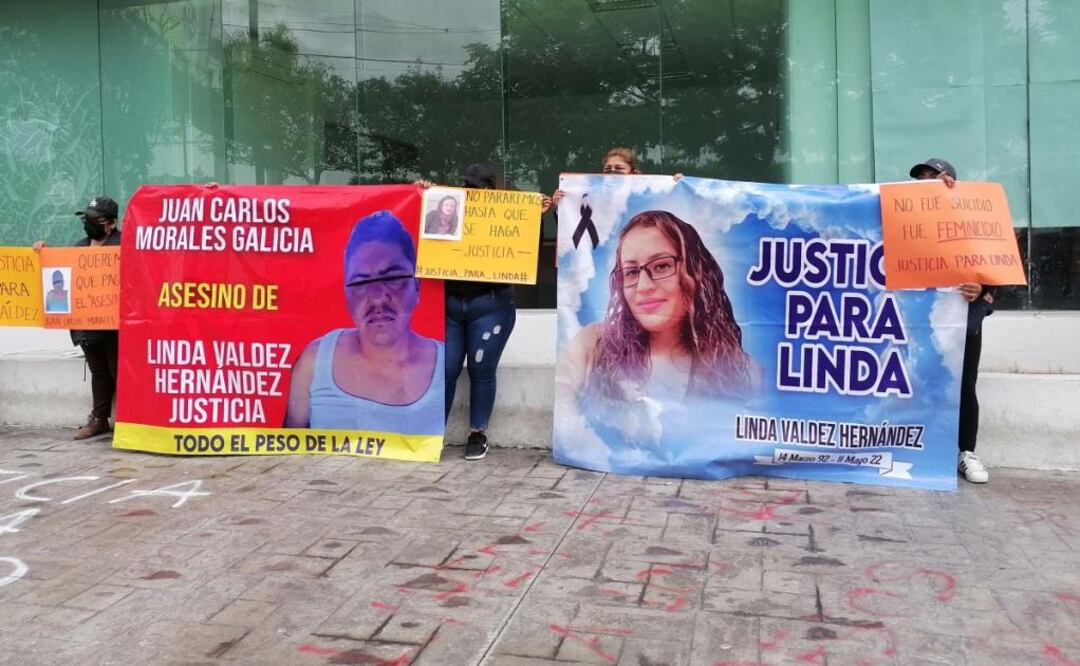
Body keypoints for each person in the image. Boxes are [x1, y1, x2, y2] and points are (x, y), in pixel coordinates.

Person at [417, 163, 552, 460]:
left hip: (490, 305)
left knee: (481, 369)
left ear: (492, 190)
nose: (471, 191)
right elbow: (423, 235)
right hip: (451, 305)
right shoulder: (446, 211)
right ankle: (432, 433)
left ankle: (478, 433)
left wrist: (534, 217)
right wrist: (424, 196)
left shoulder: (504, 213)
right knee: (447, 368)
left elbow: (527, 252)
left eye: (477, 187)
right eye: (466, 186)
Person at [284, 210, 444, 434]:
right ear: (345, 294)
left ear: (417, 285)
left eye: (392, 278)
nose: (378, 296)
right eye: (361, 283)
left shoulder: (445, 364)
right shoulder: (316, 360)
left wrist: (429, 197)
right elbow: (289, 446)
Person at [910, 158, 993, 484]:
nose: (927, 183)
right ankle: (919, 447)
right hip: (919, 316)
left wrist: (983, 287)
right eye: (921, 179)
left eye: (934, 177)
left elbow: (993, 258)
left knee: (964, 383)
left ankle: (965, 452)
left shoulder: (971, 218)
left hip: (962, 316)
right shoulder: (907, 221)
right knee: (916, 377)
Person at [33, 196, 122, 440]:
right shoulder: (79, 247)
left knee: (120, 372)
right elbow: (61, 273)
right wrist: (46, 254)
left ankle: (127, 422)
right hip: (87, 326)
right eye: (86, 218)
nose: (88, 223)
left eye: (94, 219)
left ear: (110, 223)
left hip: (115, 327)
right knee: (98, 372)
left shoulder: (123, 244)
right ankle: (99, 419)